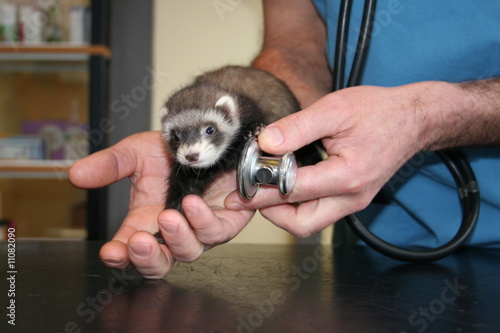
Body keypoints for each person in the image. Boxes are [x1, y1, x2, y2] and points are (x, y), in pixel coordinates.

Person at [69, 0, 500, 278]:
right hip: (373, 227)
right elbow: (296, 50)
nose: (192, 149)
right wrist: (258, 125)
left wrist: (426, 116)